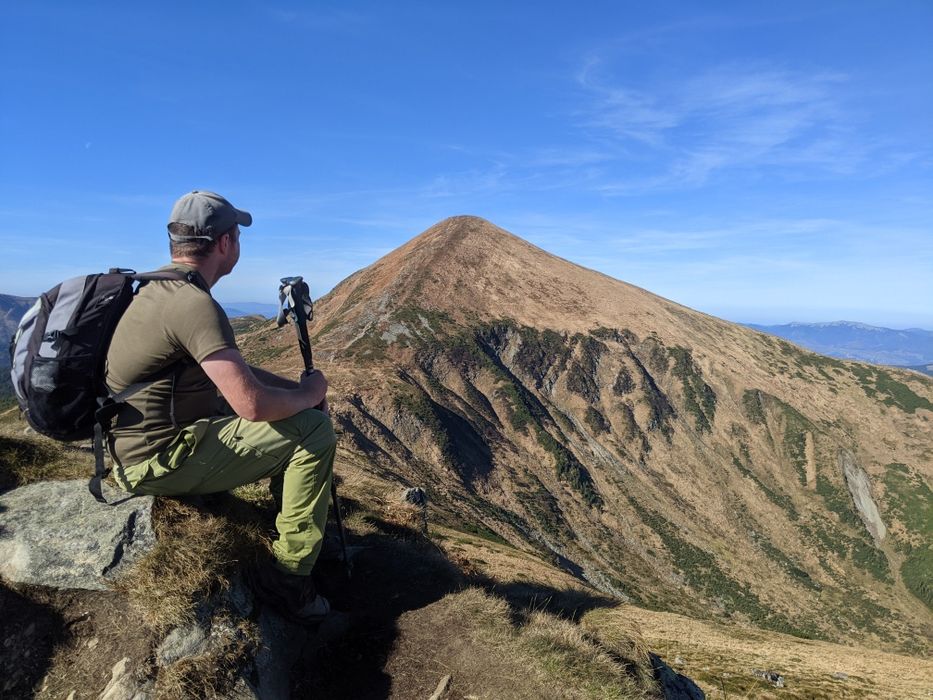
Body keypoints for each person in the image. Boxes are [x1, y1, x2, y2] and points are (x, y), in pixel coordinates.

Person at [104, 190, 335, 622]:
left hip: (131, 448)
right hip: (157, 461)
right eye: (237, 236)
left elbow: (235, 373)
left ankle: (286, 521)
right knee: (314, 431)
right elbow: (250, 404)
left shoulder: (155, 289)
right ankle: (289, 576)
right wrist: (309, 396)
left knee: (297, 414)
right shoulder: (195, 305)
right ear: (226, 244)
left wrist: (299, 391)